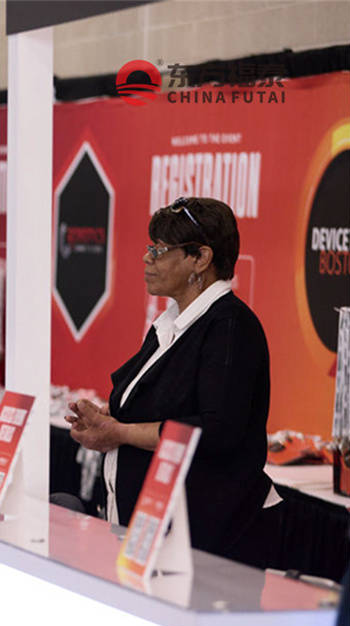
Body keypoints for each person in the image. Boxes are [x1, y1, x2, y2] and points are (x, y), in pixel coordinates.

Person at [66, 197, 281, 568]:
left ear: (200, 259)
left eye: (160, 250)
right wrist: (109, 418)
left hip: (209, 541)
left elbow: (216, 430)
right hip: (156, 533)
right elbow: (163, 407)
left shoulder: (229, 327)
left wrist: (119, 432)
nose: (147, 258)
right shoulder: (171, 325)